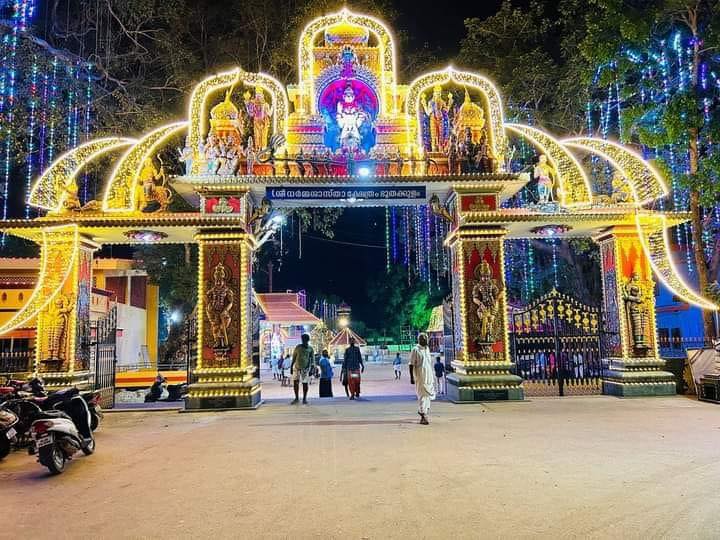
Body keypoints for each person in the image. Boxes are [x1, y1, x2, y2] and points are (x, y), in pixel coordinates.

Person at [408, 333, 436, 425]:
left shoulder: (427, 349)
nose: (425, 340)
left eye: (426, 339)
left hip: (428, 376)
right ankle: (423, 415)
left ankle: (424, 412)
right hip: (420, 376)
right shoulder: (415, 350)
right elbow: (411, 364)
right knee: (422, 396)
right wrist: (411, 377)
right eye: (423, 339)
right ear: (419, 340)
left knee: (427, 396)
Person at [290, 334, 315, 404]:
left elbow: (313, 359)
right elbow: (294, 357)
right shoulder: (298, 347)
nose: (303, 340)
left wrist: (312, 368)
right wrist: (291, 367)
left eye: (305, 339)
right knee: (295, 383)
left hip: (305, 369)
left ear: (307, 340)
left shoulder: (310, 349)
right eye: (303, 339)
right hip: (296, 368)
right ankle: (297, 398)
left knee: (305, 383)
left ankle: (304, 398)